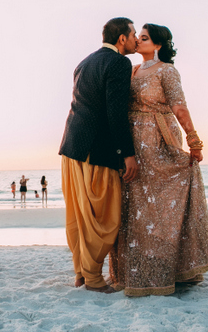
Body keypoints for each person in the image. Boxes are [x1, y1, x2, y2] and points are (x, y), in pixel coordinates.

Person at [109, 24, 208, 296]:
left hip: (159, 140)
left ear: (157, 44)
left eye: (143, 38)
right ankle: (136, 272)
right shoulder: (132, 70)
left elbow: (179, 106)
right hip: (133, 144)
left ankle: (171, 269)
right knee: (135, 208)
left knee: (159, 209)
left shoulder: (167, 70)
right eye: (137, 37)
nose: (137, 41)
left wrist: (193, 140)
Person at [59, 17, 138, 293]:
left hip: (71, 147)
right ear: (121, 39)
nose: (136, 40)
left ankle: (80, 273)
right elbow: (116, 113)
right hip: (96, 150)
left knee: (78, 215)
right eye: (134, 35)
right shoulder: (119, 63)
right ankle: (93, 279)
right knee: (104, 218)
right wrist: (127, 154)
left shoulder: (84, 62)